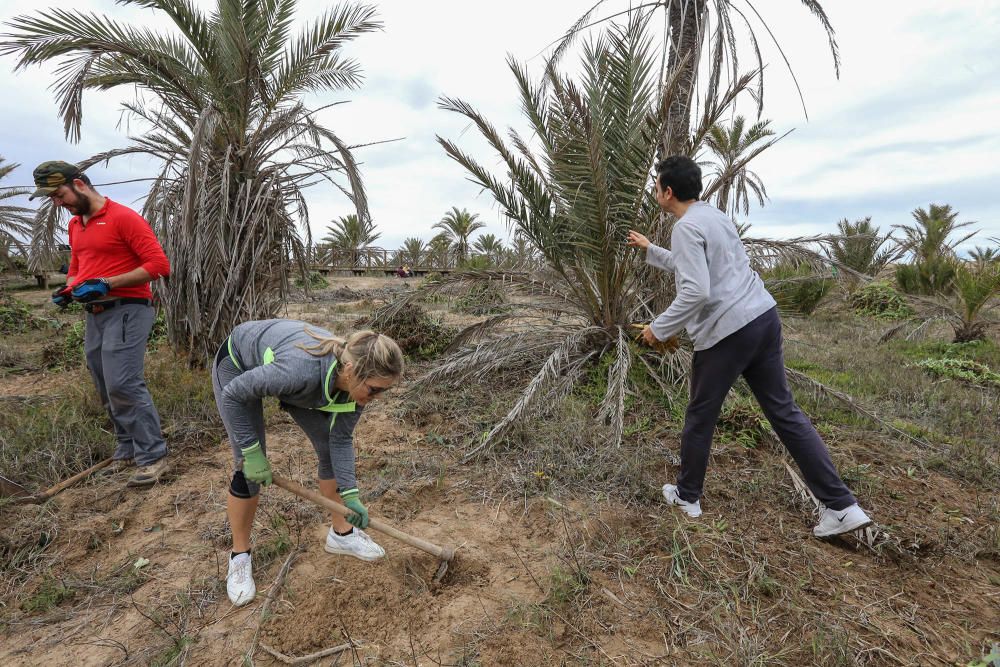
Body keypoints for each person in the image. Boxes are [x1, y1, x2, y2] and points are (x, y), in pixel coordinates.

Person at [627, 156, 872, 539]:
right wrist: (650, 249)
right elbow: (699, 266)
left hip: (728, 332)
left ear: (667, 191)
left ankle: (687, 497)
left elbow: (696, 288)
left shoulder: (685, 227)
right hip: (762, 317)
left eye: (656, 186)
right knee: (784, 413)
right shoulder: (714, 217)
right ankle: (842, 507)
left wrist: (658, 328)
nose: (655, 191)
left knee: (700, 414)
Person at [213, 319, 404, 606]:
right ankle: (239, 555)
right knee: (247, 469)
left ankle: (341, 533)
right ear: (351, 371)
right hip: (238, 365)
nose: (377, 398)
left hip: (298, 385)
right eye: (375, 389)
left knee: (328, 445)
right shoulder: (299, 370)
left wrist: (350, 497)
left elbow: (340, 441)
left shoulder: (354, 391)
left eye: (384, 391)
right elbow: (233, 396)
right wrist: (252, 453)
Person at [32, 161, 171, 487]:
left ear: (79, 184)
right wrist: (68, 288)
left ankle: (153, 455)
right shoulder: (76, 225)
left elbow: (159, 265)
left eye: (58, 194)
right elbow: (78, 265)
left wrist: (108, 282)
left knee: (123, 382)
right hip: (96, 313)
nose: (57, 202)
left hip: (129, 308)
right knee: (104, 382)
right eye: (51, 197)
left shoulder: (123, 217)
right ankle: (126, 449)